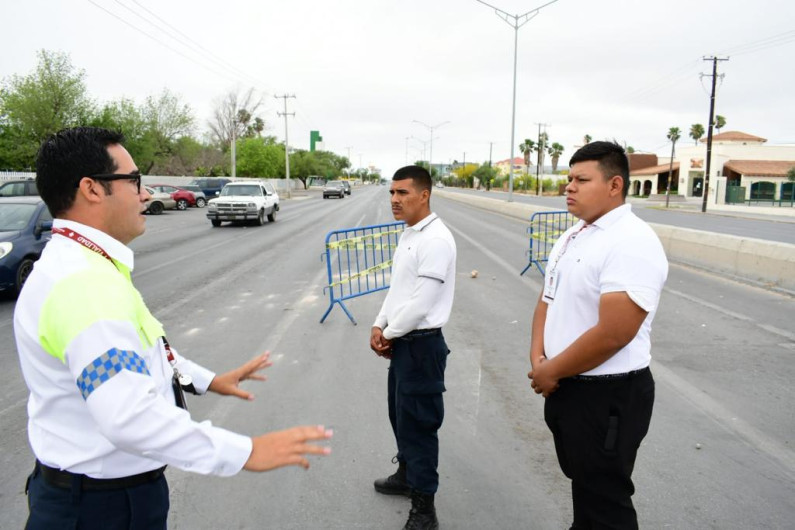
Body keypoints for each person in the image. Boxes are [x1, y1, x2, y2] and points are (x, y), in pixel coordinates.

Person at [15, 127, 332, 530]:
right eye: (133, 181)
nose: (145, 194)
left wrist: (208, 380)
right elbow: (127, 415)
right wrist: (245, 451)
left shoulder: (83, 265)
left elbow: (140, 348)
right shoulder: (83, 285)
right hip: (101, 508)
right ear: (92, 189)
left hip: (93, 496)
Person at [528, 141, 668, 529]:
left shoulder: (632, 241)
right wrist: (538, 358)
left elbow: (614, 333)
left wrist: (551, 370)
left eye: (582, 179)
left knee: (606, 501)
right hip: (568, 387)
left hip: (608, 394)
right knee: (586, 488)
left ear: (614, 185)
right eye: (569, 178)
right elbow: (546, 298)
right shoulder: (575, 234)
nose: (569, 187)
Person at [370, 165, 456, 530]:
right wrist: (379, 323)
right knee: (400, 417)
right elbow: (398, 290)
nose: (394, 199)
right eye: (392, 193)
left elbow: (421, 302)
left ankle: (424, 509)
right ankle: (407, 475)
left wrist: (390, 333)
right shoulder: (410, 235)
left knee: (420, 426)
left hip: (421, 346)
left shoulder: (435, 239)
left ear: (424, 195)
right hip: (405, 342)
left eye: (403, 193)